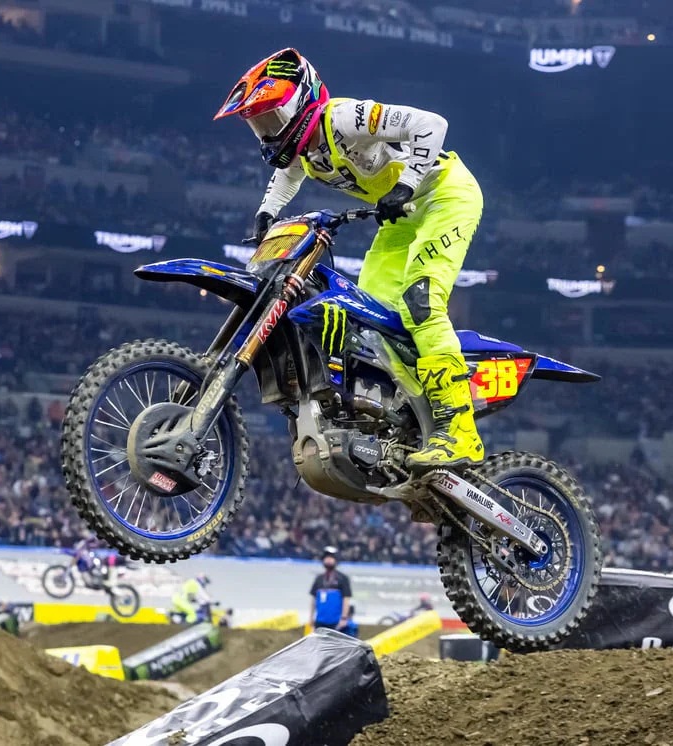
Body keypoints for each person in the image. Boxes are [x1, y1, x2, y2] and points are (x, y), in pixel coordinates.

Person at [215, 47, 485, 470]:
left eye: (272, 119)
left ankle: (461, 431)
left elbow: (432, 124)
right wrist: (268, 212)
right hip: (401, 218)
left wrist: (407, 184)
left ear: (301, 101)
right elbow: (289, 172)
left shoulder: (343, 118)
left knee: (420, 301)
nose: (267, 133)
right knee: (371, 319)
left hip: (445, 196)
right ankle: (411, 418)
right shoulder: (306, 150)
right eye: (259, 125)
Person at [308, 546, 353, 634]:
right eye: (326, 557)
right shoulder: (319, 579)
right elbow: (313, 599)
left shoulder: (343, 578)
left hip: (336, 622)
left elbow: (346, 599)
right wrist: (311, 617)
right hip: (320, 621)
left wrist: (344, 618)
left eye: (331, 558)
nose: (328, 560)